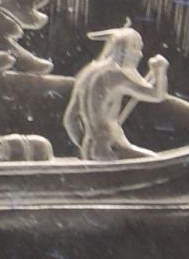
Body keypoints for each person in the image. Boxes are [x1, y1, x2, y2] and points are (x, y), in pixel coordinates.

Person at [63, 22, 168, 161]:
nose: (140, 55)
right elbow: (157, 95)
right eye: (137, 48)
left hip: (90, 149)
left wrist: (85, 146)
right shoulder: (118, 76)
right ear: (125, 49)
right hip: (111, 148)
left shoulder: (87, 73)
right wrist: (160, 70)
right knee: (155, 162)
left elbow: (70, 119)